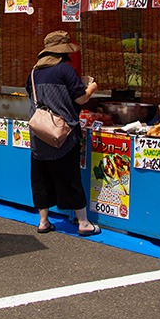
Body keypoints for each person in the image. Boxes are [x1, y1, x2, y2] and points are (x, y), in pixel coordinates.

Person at [26, 31, 99, 236]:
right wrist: (91, 87)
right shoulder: (65, 70)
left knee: (40, 177)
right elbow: (81, 99)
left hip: (39, 133)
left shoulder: (34, 72)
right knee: (69, 177)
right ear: (63, 53)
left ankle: (43, 221)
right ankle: (83, 223)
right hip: (63, 133)